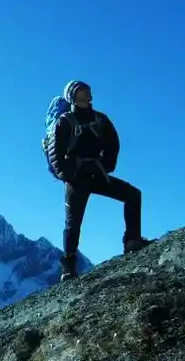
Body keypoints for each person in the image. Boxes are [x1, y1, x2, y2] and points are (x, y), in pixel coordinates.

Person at [43, 80, 153, 282]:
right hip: (77, 178)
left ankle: (132, 240)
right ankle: (68, 267)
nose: (86, 94)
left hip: (95, 173)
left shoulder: (100, 119)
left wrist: (107, 165)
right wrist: (69, 175)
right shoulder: (65, 121)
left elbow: (113, 143)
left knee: (133, 195)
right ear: (72, 97)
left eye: (86, 91)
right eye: (81, 92)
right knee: (73, 222)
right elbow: (55, 153)